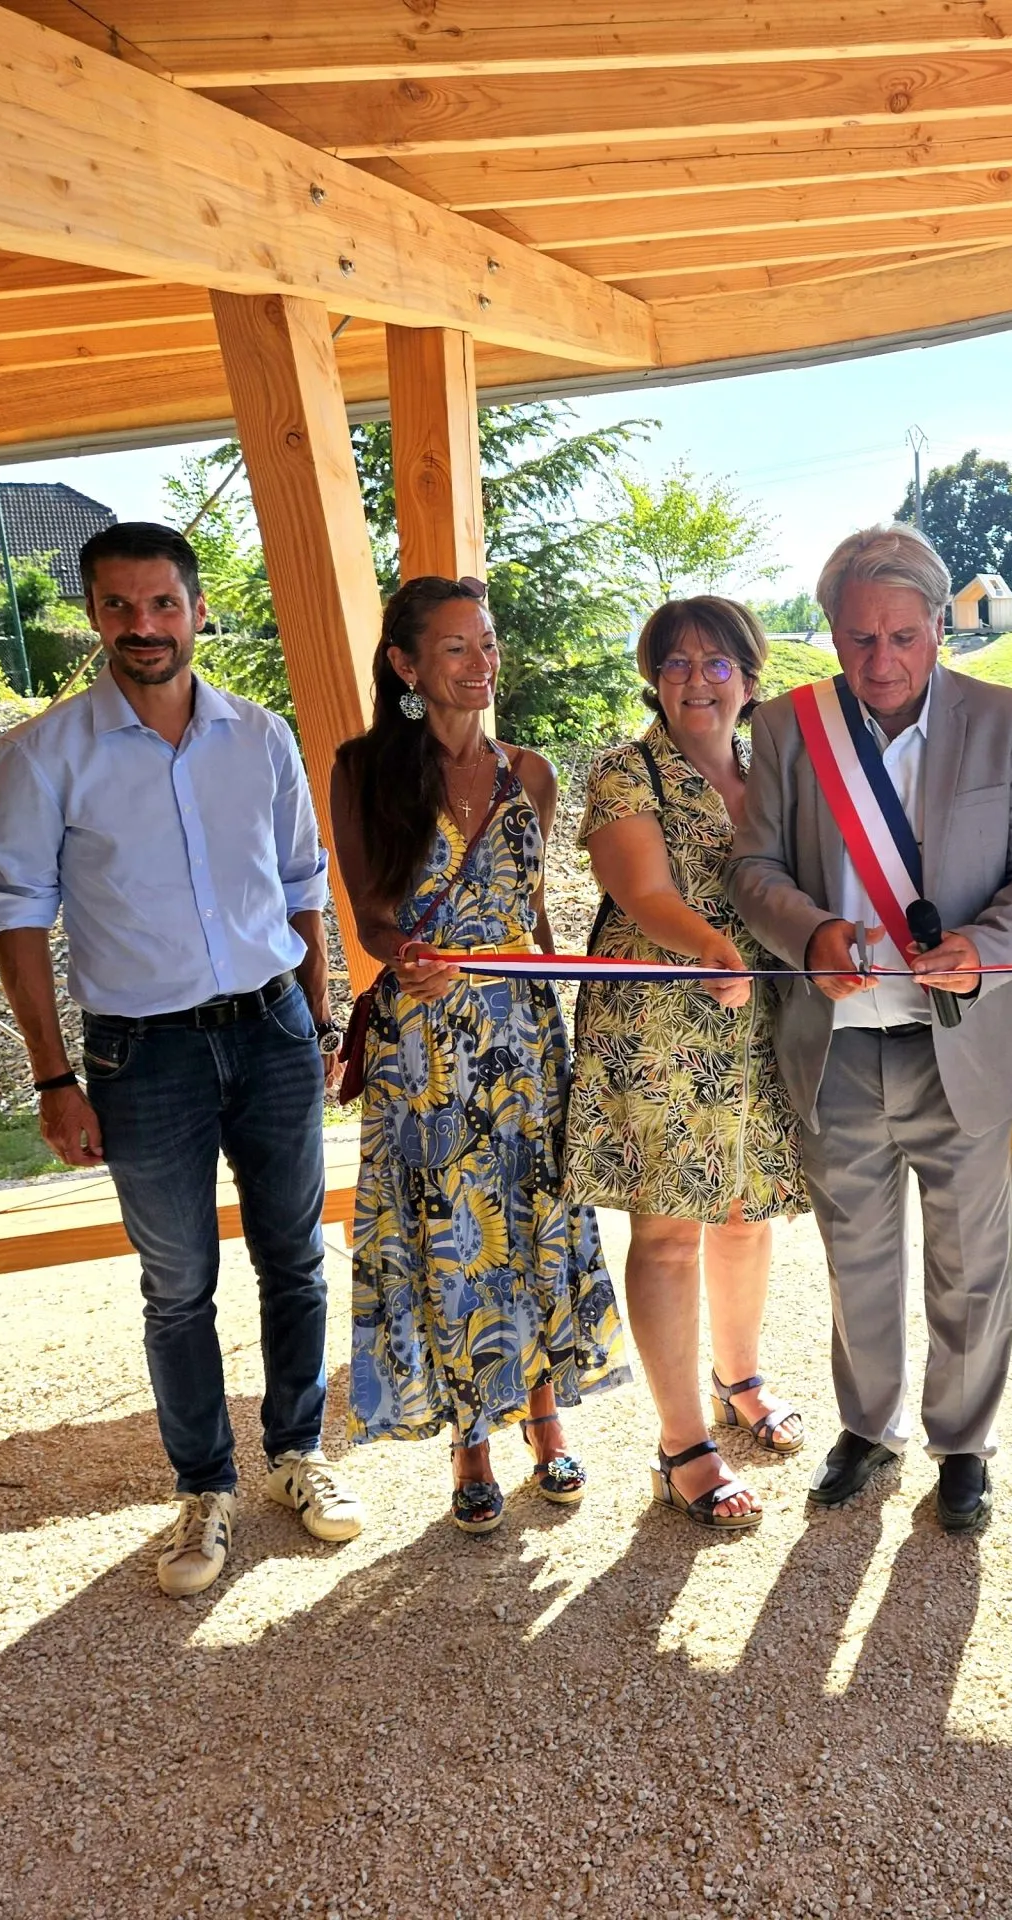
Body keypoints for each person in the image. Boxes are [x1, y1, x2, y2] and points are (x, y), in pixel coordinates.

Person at [0, 522, 363, 1598]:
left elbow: (300, 884)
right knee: (178, 1285)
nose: (143, 628)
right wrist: (54, 1080)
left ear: (199, 610)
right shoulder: (43, 753)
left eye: (162, 605)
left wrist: (319, 1020)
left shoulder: (262, 736)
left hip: (274, 1031)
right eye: (119, 607)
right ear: (93, 617)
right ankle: (206, 1488)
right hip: (142, 1056)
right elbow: (20, 920)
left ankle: (297, 1457)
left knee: (294, 1257)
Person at [730, 524, 1012, 1534]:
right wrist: (810, 929)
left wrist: (987, 946)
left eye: (902, 637)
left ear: (938, 632)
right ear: (831, 634)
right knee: (855, 1256)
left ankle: (962, 1444)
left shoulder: (1005, 723)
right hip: (837, 1047)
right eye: (859, 638)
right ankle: (866, 1429)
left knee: (973, 1259)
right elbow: (753, 875)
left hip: (961, 1044)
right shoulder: (790, 729)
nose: (880, 661)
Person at [329, 575, 627, 1536]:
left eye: (487, 644)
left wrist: (560, 1011)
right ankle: (470, 1442)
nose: (480, 663)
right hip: (425, 1046)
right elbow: (369, 911)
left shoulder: (529, 770)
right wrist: (400, 956)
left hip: (523, 1036)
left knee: (534, 1219)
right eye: (455, 647)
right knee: (451, 1232)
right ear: (407, 665)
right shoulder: (363, 767)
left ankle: (545, 1420)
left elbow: (534, 914)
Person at [564, 597, 808, 1532]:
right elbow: (642, 889)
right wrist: (715, 947)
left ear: (749, 678)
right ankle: (680, 1444)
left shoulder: (776, 769)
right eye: (675, 663)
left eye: (716, 664)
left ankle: (739, 1378)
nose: (695, 680)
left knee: (747, 1214)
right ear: (652, 678)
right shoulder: (626, 772)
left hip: (758, 1021)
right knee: (669, 1229)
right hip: (663, 1022)